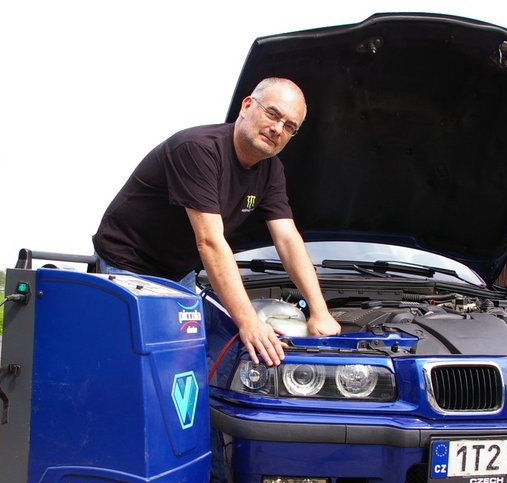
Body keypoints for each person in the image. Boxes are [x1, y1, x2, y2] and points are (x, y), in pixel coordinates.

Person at [93, 77, 341, 366]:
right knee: (139, 361)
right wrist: (249, 321)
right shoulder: (198, 149)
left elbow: (287, 238)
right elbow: (210, 241)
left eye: (289, 127)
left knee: (186, 359)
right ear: (247, 105)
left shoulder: (270, 170)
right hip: (128, 263)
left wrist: (319, 310)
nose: (277, 129)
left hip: (177, 269)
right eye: (273, 114)